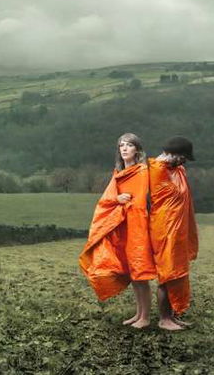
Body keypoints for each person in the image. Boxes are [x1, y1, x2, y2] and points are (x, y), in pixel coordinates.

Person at [79, 133, 156, 329]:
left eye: (129, 145)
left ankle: (145, 317)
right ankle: (138, 314)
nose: (124, 149)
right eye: (121, 145)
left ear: (137, 150)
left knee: (140, 272)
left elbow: (148, 200)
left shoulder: (143, 171)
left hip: (138, 225)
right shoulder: (119, 172)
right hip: (122, 227)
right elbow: (107, 199)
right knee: (131, 272)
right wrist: (117, 199)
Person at [148, 136, 199, 331]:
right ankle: (164, 319)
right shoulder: (156, 170)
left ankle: (173, 315)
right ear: (173, 154)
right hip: (164, 231)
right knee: (167, 274)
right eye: (183, 157)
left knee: (177, 273)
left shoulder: (177, 170)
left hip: (178, 232)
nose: (185, 161)